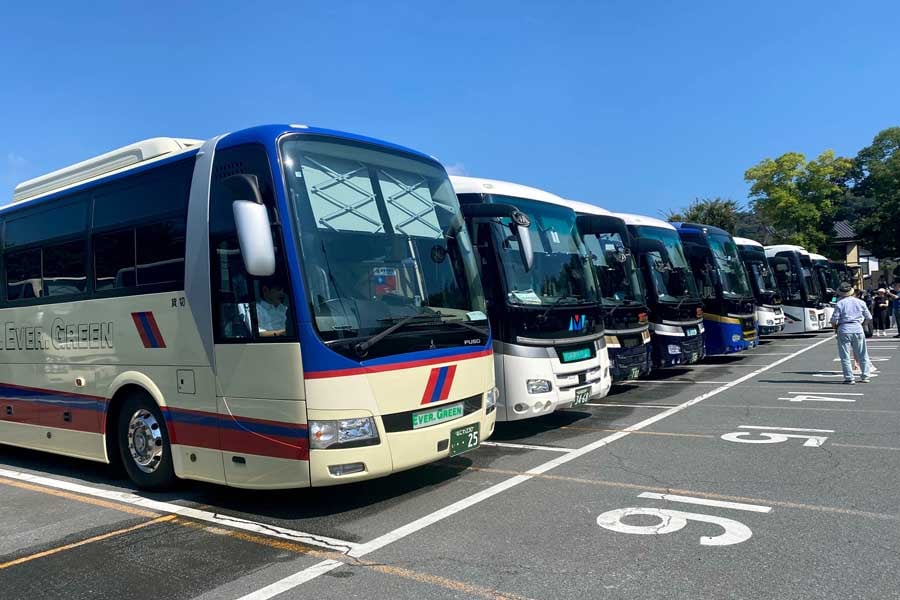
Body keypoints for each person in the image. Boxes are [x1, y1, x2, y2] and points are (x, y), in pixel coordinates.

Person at [830, 282, 873, 384]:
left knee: (845, 355)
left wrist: (835, 328)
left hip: (844, 328)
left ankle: (849, 378)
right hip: (857, 328)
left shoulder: (840, 303)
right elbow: (869, 317)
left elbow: (834, 320)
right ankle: (865, 375)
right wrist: (863, 324)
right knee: (862, 353)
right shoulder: (860, 302)